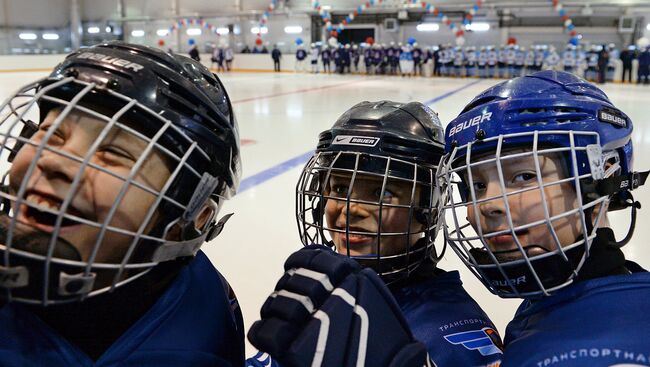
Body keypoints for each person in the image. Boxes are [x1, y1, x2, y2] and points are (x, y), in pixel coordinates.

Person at [0, 42, 247, 365]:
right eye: (50, 134)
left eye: (113, 154)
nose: (54, 160)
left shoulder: (193, 345)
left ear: (189, 217)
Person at [249, 101, 503, 367]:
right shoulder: (321, 290)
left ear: (429, 208)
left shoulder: (452, 336)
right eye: (339, 189)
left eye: (382, 193)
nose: (350, 209)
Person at [438, 70, 650, 365]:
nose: (488, 204)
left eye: (524, 176)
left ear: (604, 174)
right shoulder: (550, 300)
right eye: (477, 186)